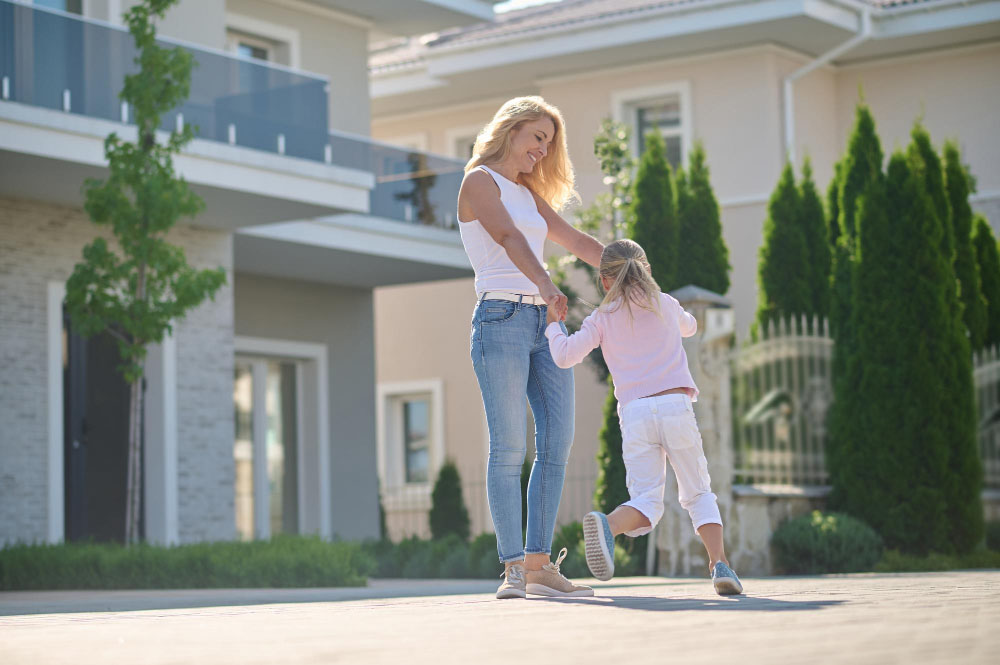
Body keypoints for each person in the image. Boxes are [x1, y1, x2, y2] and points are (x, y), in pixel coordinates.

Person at [456, 96, 604, 599]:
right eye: (537, 137)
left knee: (558, 440)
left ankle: (540, 564)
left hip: (543, 322)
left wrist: (632, 271)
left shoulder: (525, 191)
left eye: (550, 142)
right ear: (512, 129)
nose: (543, 150)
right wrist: (546, 283)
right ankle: (512, 566)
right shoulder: (480, 181)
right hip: (500, 318)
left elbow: (578, 241)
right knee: (509, 447)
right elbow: (506, 237)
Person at [545, 239, 744, 596]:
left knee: (647, 501)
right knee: (698, 491)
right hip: (675, 407)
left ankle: (608, 525)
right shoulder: (664, 304)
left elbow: (563, 356)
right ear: (647, 270)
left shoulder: (600, 318)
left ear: (604, 282)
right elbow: (691, 327)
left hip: (635, 414)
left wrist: (552, 325)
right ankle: (720, 565)